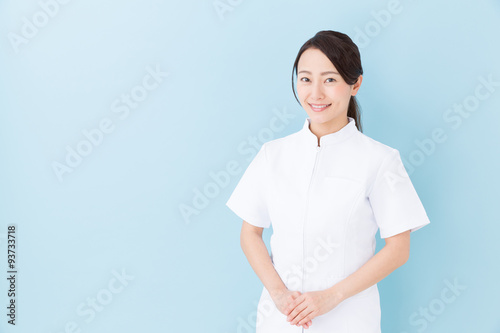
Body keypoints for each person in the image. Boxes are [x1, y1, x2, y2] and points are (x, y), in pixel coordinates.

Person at [225, 30, 431, 333]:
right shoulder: (273, 155)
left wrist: (330, 297)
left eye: (330, 80)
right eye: (306, 79)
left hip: (349, 320)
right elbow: (250, 233)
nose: (316, 93)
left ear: (356, 83)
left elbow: (398, 248)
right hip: (279, 320)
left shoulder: (380, 160)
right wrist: (280, 295)